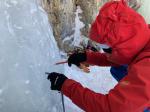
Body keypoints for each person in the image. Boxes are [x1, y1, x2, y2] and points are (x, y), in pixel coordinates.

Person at [47, 0, 150, 112]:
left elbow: (112, 108)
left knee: (125, 105)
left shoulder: (146, 69)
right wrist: (87, 57)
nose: (107, 54)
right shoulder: (143, 36)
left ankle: (139, 105)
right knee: (118, 68)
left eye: (108, 50)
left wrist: (65, 85)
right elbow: (123, 55)